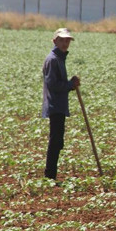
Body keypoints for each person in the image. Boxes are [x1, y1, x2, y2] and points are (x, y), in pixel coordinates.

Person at [42, 28, 80, 180]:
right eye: (62, 40)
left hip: (59, 104)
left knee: (57, 141)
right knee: (55, 141)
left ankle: (51, 175)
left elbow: (59, 84)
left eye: (67, 41)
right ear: (55, 41)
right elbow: (53, 85)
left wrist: (70, 84)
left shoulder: (59, 58)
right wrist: (70, 84)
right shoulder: (53, 59)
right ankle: (49, 176)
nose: (65, 43)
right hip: (54, 105)